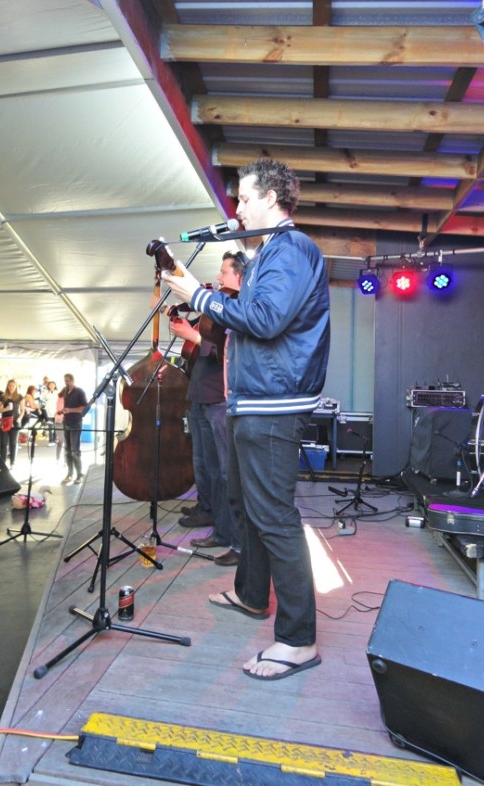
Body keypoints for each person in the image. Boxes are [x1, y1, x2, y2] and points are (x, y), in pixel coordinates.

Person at [162, 158, 330, 681]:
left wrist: (200, 297)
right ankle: (253, 594)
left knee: (274, 517)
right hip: (251, 401)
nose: (237, 208)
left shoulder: (292, 248)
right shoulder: (266, 254)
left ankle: (298, 640)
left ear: (272, 199)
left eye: (245, 198)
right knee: (249, 506)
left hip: (273, 405)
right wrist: (201, 293)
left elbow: (266, 320)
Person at [173, 251, 246, 567]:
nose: (218, 277)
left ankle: (232, 536)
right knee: (208, 466)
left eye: (224, 272)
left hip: (219, 398)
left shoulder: (239, 308)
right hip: (202, 394)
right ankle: (219, 526)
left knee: (226, 471)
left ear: (239, 276)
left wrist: (192, 335)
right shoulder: (218, 306)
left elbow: (225, 353)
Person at [61, 373, 87, 485]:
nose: (66, 383)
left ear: (72, 380)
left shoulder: (79, 391)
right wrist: (62, 411)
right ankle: (69, 474)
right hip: (66, 422)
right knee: (67, 451)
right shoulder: (65, 391)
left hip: (76, 423)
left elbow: (84, 407)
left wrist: (70, 410)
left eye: (67, 381)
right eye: (65, 381)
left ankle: (79, 475)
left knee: (74, 451)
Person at [0, 379, 25, 468]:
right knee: (4, 443)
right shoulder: (3, 396)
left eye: (13, 385)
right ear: (7, 386)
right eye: (9, 385)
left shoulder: (19, 397)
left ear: (16, 387)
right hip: (5, 421)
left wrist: (19, 419)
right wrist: (5, 409)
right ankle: (3, 463)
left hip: (15, 422)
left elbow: (22, 410)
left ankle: (12, 462)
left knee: (13, 443)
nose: (11, 387)